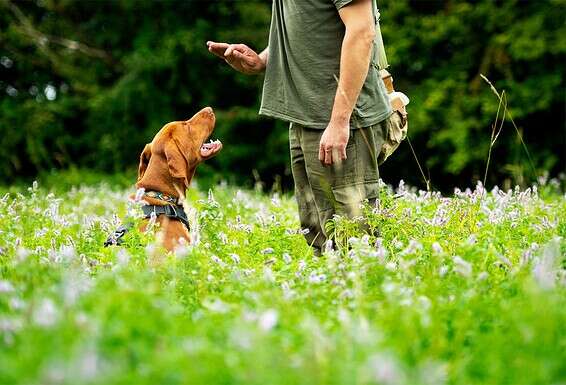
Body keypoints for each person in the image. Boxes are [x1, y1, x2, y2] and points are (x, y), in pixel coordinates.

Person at [207, 0, 392, 254]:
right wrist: (262, 60)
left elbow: (362, 32)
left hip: (341, 120)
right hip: (307, 119)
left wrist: (339, 121)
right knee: (321, 241)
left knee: (357, 244)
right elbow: (311, 25)